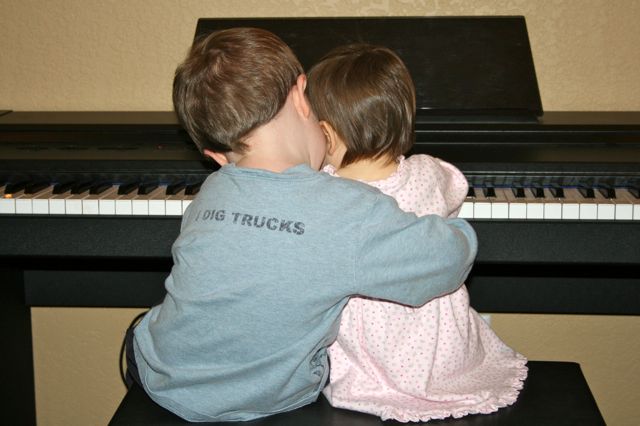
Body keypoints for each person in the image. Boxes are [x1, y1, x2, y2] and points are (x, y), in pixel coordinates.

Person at [126, 28, 478, 422]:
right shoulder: (346, 209)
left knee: (156, 325)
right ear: (300, 94)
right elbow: (448, 262)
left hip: (162, 375)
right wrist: (455, 227)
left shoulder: (212, 190)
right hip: (270, 399)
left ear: (216, 157)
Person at [307, 43, 528, 422]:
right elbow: (456, 189)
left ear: (326, 133)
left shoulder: (323, 191)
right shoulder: (430, 171)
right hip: (442, 351)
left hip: (373, 355)